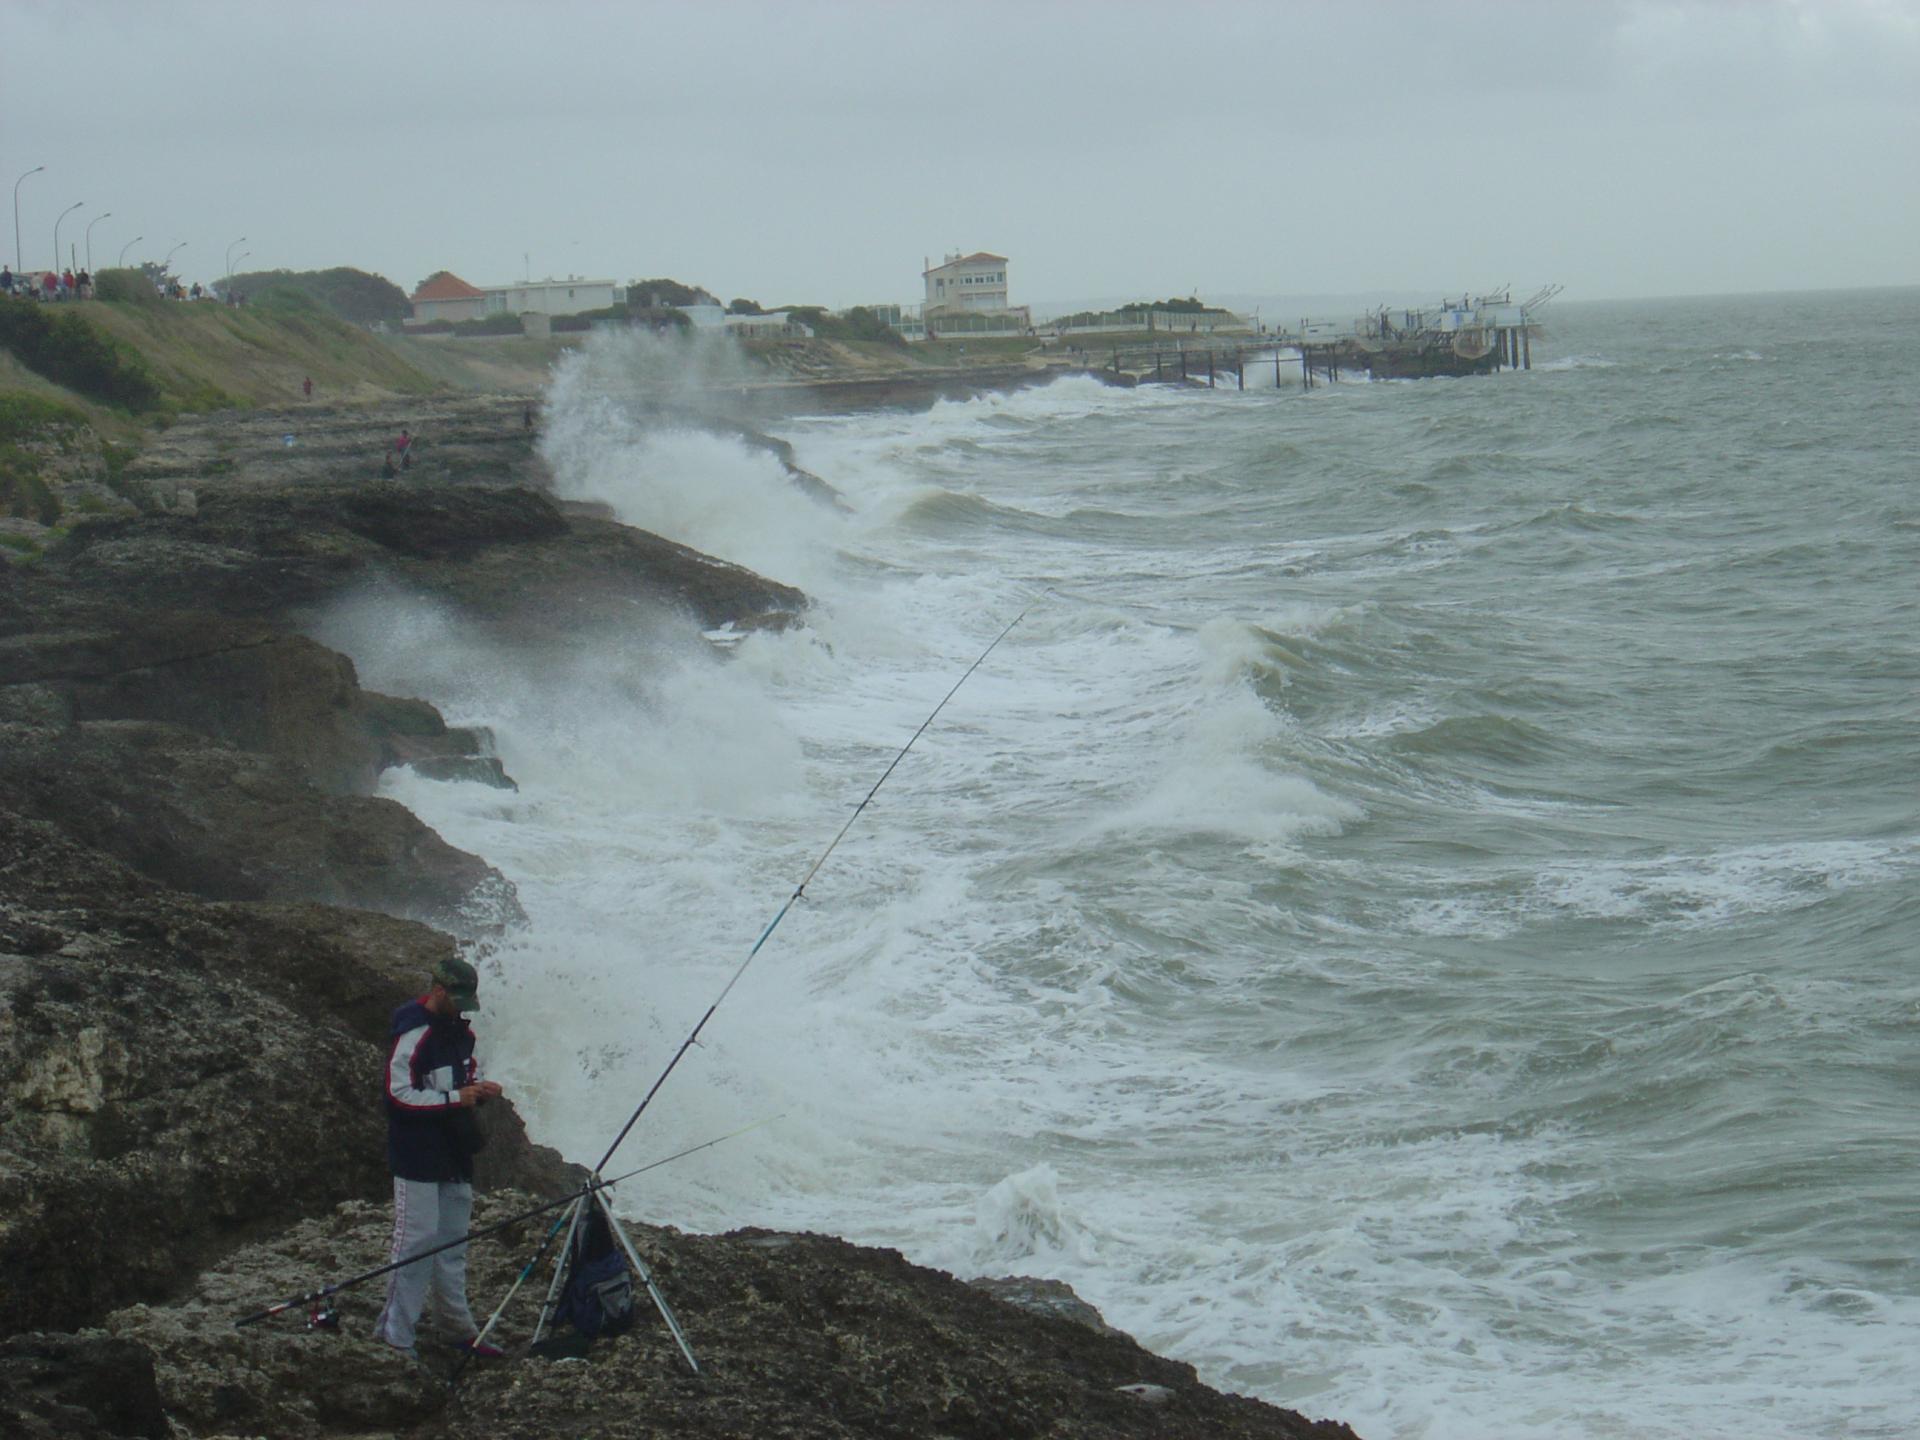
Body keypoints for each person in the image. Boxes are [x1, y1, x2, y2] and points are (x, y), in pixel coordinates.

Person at [373, 956, 506, 1359]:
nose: (465, 1008)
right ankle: (396, 1336)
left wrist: (477, 1090)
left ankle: (457, 1328)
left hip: (455, 1153)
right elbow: (397, 1095)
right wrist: (453, 1098)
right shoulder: (413, 1032)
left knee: (452, 1244)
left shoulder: (461, 1035)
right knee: (414, 1244)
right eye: (459, 999)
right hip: (417, 1154)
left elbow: (459, 1081)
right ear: (439, 992)